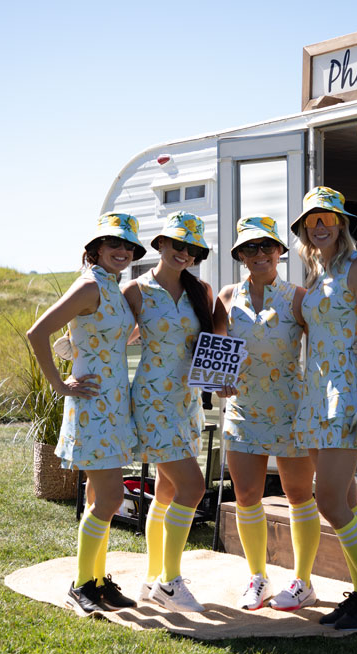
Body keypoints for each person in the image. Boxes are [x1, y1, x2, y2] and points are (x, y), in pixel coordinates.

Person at [25, 212, 144, 615]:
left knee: (99, 497)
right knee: (111, 496)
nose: (123, 251)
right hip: (93, 406)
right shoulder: (90, 285)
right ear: (96, 248)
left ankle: (96, 581)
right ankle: (81, 586)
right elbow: (37, 333)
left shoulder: (110, 286)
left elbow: (105, 336)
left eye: (128, 245)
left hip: (113, 404)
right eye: (114, 243)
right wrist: (59, 385)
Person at [290, 186, 357, 631]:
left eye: (328, 218)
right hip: (315, 393)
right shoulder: (316, 271)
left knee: (329, 499)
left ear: (341, 223)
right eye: (312, 220)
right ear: (303, 228)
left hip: (346, 393)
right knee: (346, 500)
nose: (320, 226)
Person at [211, 216, 321, 612]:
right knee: (246, 497)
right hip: (243, 410)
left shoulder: (298, 297)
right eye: (250, 247)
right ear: (240, 255)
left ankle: (303, 582)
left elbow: (322, 346)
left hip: (292, 409)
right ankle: (257, 577)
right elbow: (217, 352)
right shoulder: (226, 297)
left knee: (299, 495)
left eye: (267, 246)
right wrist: (219, 380)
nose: (260, 253)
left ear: (279, 251)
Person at [123, 211, 215, 613]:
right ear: (160, 243)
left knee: (167, 491)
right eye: (178, 244)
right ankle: (171, 583)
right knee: (193, 489)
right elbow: (110, 335)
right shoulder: (135, 290)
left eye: (193, 249)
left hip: (186, 402)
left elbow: (210, 345)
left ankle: (152, 579)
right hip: (152, 400)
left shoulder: (201, 291)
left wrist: (220, 377)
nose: (185, 254)